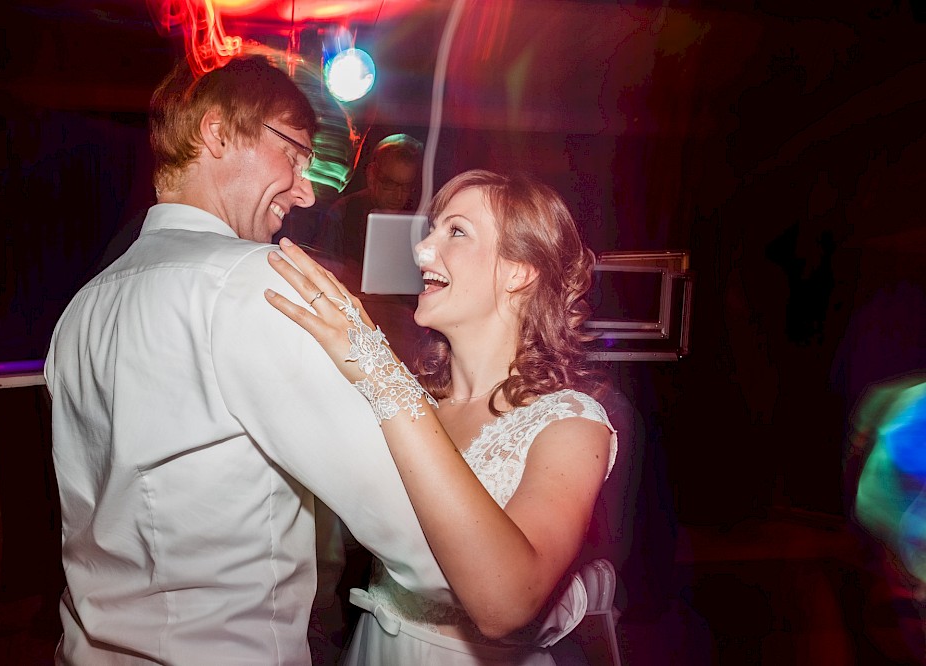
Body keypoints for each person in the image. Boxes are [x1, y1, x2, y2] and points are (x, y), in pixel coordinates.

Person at [43, 52, 451, 665]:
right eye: (294, 152)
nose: (308, 191)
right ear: (217, 131)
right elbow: (415, 533)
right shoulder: (258, 283)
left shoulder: (80, 307)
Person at [267, 169, 618, 664]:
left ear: (519, 270)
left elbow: (507, 603)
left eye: (456, 231)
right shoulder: (415, 403)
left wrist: (380, 374)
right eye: (432, 230)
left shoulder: (572, 424)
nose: (422, 250)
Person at [315, 133, 424, 269]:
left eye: (407, 186)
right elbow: (326, 269)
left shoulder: (417, 218)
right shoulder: (343, 214)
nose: (399, 196)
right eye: (390, 184)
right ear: (372, 176)